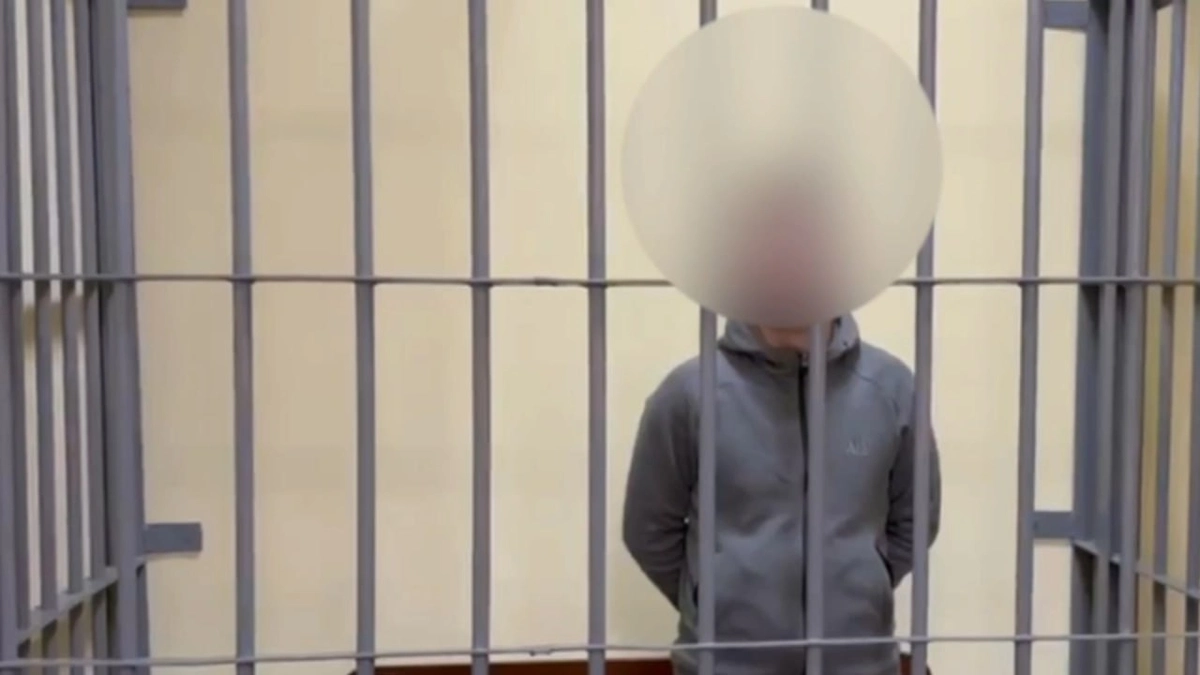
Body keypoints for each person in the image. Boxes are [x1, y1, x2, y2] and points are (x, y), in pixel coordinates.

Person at [621, 315, 942, 675]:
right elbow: (648, 529)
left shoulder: (891, 387)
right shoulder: (690, 391)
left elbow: (916, 519)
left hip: (861, 664)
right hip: (723, 666)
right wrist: (709, 599)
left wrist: (864, 590)